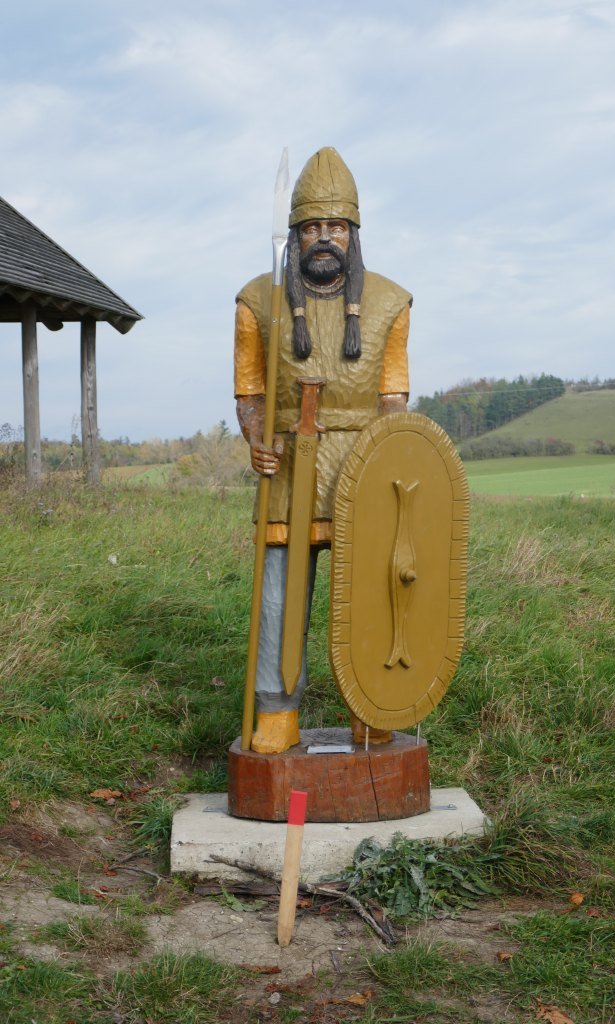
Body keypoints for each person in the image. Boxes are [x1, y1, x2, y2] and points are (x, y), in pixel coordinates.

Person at [234, 147, 412, 753]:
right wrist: (258, 438)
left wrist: (390, 455)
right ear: (296, 235)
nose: (325, 238)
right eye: (312, 227)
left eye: (337, 225)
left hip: (364, 466)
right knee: (279, 595)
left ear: (353, 233)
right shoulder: (257, 301)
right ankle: (276, 709)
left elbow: (392, 399)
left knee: (370, 594)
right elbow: (251, 391)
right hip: (289, 466)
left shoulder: (390, 302)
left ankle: (372, 705)